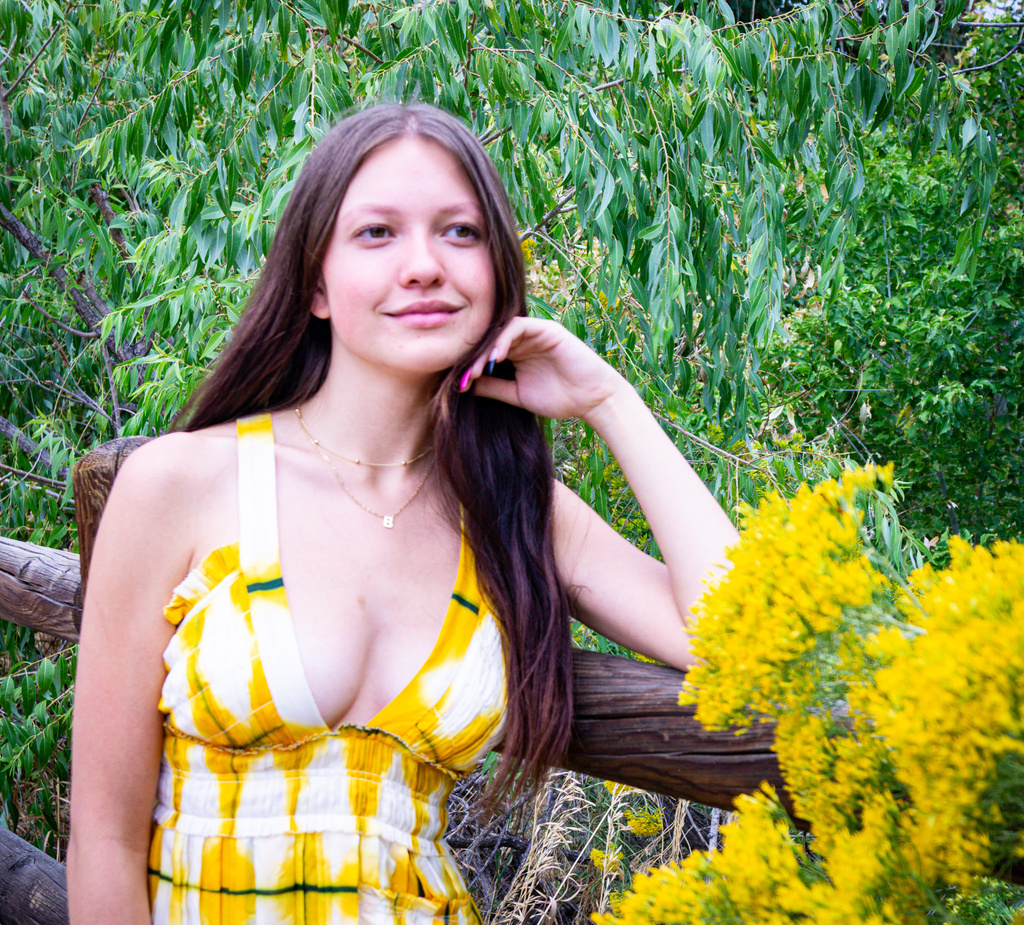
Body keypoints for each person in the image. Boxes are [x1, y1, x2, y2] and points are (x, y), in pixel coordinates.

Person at [66, 103, 738, 925]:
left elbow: (734, 636)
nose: (424, 266)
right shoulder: (183, 483)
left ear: (496, 269)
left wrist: (610, 400)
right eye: (377, 233)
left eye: (460, 232)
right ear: (315, 282)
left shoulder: (511, 508)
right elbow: (102, 837)